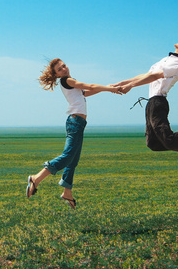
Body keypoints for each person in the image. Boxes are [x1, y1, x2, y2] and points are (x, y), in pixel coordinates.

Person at [26, 58, 121, 209]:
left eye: (64, 66)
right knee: (68, 156)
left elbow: (86, 92)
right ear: (57, 75)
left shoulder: (69, 82)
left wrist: (106, 88)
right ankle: (36, 179)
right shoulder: (67, 80)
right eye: (59, 69)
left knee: (73, 160)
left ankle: (67, 193)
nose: (64, 69)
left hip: (79, 123)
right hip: (75, 122)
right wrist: (109, 89)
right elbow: (88, 85)